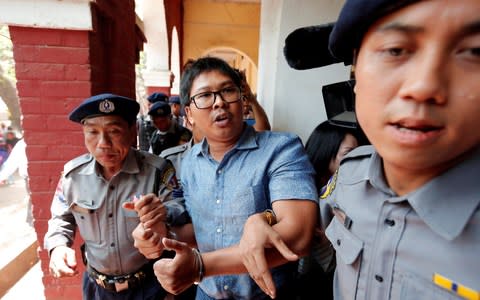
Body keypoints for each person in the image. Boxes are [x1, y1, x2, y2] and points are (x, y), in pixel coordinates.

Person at [239, 1, 480, 299]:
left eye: (473, 51)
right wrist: (263, 220)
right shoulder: (352, 174)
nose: (423, 86)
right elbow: (304, 227)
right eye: (395, 50)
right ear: (355, 76)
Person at [130, 56, 318, 299]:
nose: (219, 102)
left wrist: (200, 266)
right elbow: (201, 227)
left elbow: (299, 235)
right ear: (188, 114)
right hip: (208, 293)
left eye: (228, 90)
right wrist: (161, 233)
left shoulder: (281, 150)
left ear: (242, 100)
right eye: (205, 96)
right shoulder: (189, 162)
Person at [43, 93, 188, 300]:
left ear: (132, 131)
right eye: (92, 132)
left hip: (150, 287)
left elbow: (180, 205)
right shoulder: (72, 177)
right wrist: (58, 247)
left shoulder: (157, 170)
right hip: (97, 289)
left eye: (114, 131)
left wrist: (163, 213)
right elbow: (61, 218)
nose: (103, 143)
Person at [297, 121, 366, 300]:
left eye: (360, 153)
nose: (358, 161)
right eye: (349, 154)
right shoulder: (300, 192)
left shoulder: (358, 195)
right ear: (326, 152)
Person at [0, 137, 31, 225]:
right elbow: (11, 163)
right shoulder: (22, 143)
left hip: (30, 179)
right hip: (29, 179)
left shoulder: (22, 143)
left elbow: (11, 163)